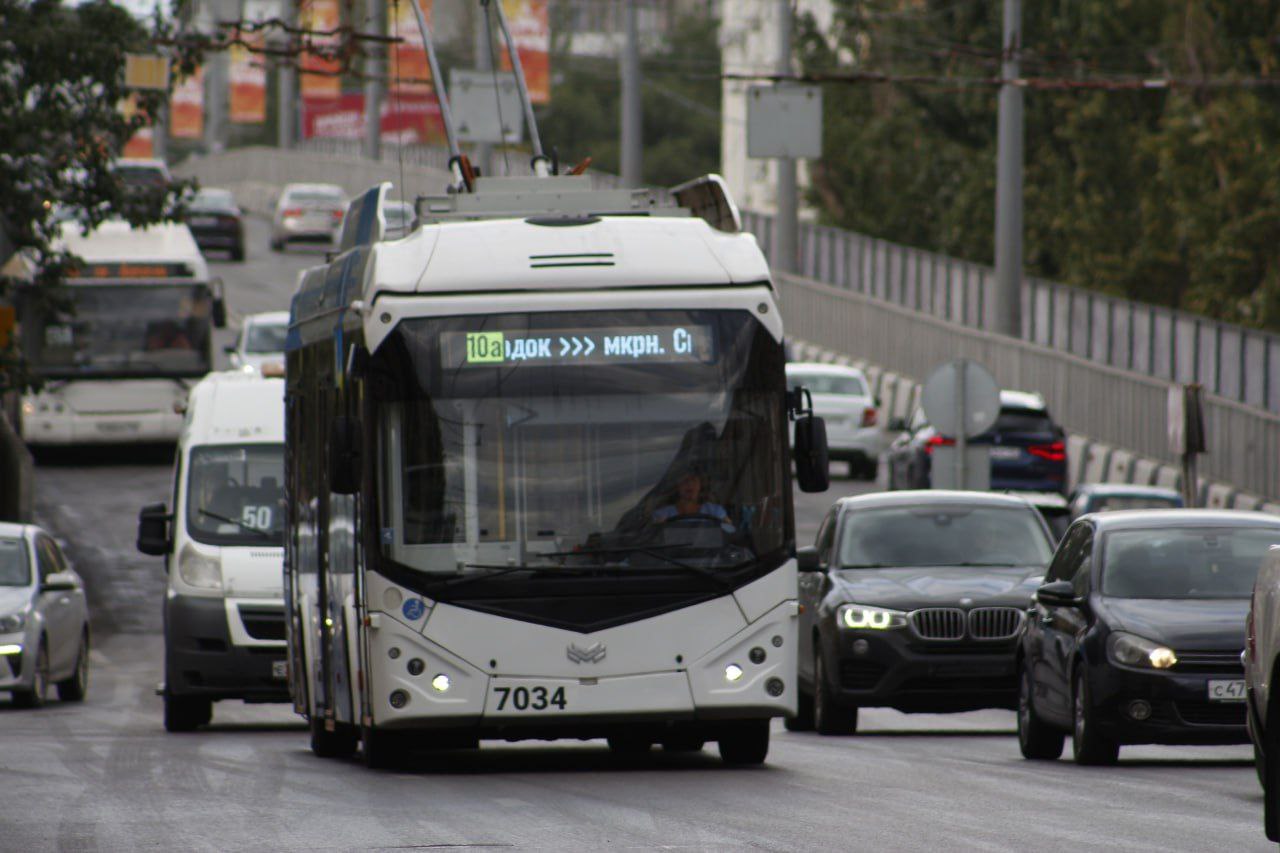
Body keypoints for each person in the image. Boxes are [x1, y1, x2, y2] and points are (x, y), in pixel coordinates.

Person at [652, 471, 734, 532]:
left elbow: (730, 531)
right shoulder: (663, 513)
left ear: (700, 485)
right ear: (677, 486)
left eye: (693, 480)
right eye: (685, 480)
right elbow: (653, 536)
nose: (689, 484)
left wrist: (724, 525)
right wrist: (659, 526)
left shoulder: (715, 511)